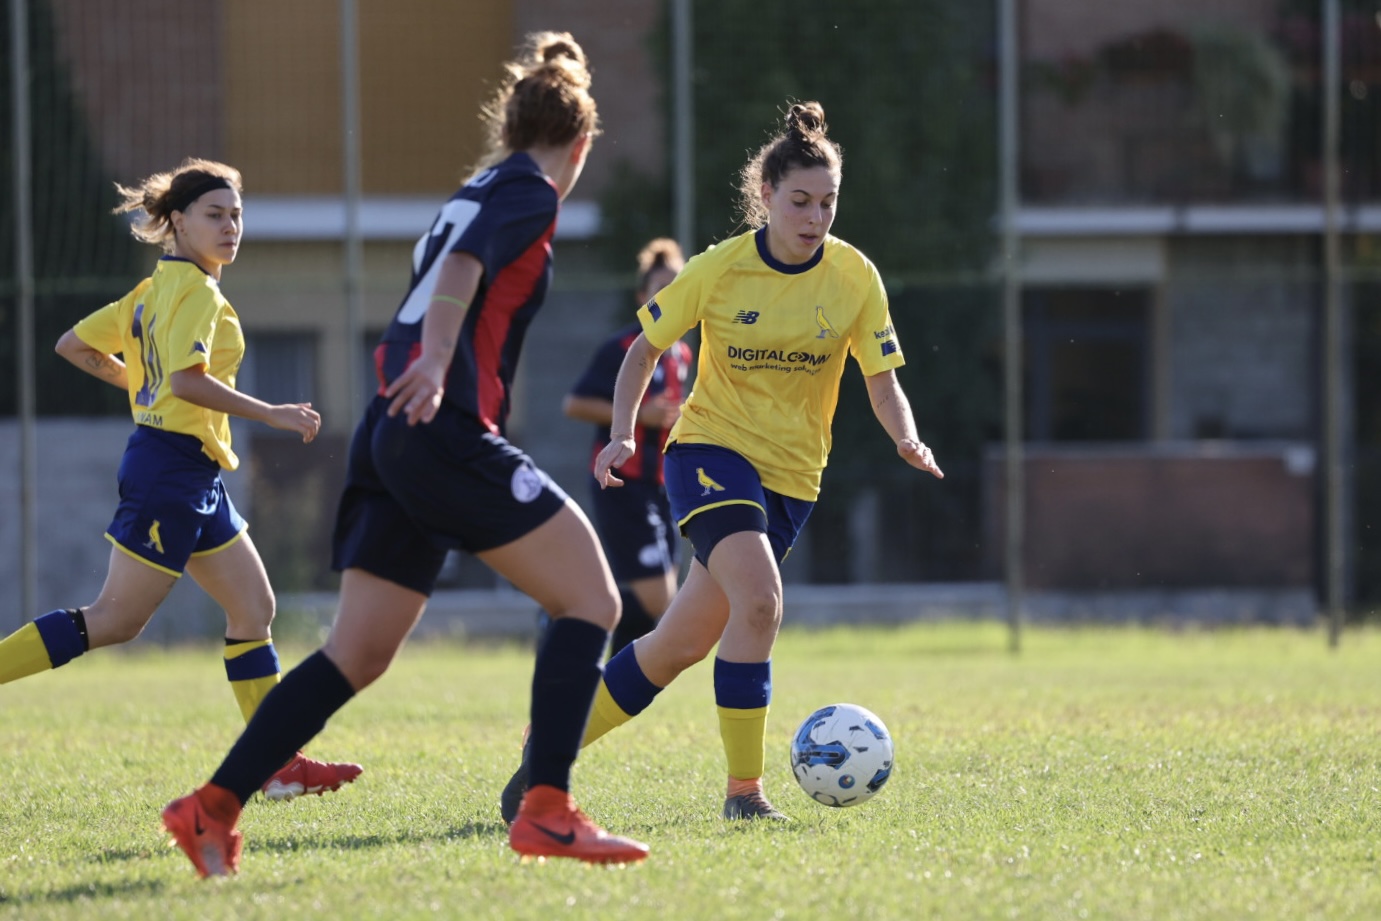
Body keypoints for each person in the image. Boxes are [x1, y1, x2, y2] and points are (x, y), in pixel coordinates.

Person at [161, 32, 649, 878]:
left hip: (394, 435)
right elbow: (462, 268)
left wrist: (424, 362)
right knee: (593, 600)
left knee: (358, 652)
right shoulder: (531, 190)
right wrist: (436, 358)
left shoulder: (478, 183)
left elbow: (452, 261)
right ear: (579, 146)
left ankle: (211, 806)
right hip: (441, 426)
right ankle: (548, 809)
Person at [499, 101, 943, 824]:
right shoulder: (717, 270)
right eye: (799, 200)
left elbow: (881, 375)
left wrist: (904, 435)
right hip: (709, 452)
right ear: (765, 195)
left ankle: (549, 746)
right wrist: (621, 432)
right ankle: (744, 794)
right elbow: (642, 350)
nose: (814, 215)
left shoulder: (855, 277)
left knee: (675, 645)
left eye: (827, 202)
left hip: (793, 477)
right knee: (760, 601)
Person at [0, 158, 362, 802]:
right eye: (214, 215)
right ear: (176, 223)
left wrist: (140, 384)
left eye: (236, 215)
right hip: (170, 469)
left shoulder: (152, 290)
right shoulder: (194, 292)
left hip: (192, 470)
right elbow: (187, 382)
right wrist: (271, 411)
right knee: (115, 620)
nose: (230, 227)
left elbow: (73, 346)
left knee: (254, 608)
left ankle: (277, 763)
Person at [561, 238, 692, 657]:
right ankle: (568, 623)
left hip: (662, 488)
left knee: (648, 603)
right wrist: (641, 418)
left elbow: (669, 414)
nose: (667, 297)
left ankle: (587, 655)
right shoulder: (622, 349)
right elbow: (574, 404)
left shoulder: (682, 353)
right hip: (623, 485)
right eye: (659, 288)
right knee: (663, 602)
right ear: (642, 298)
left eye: (676, 287)